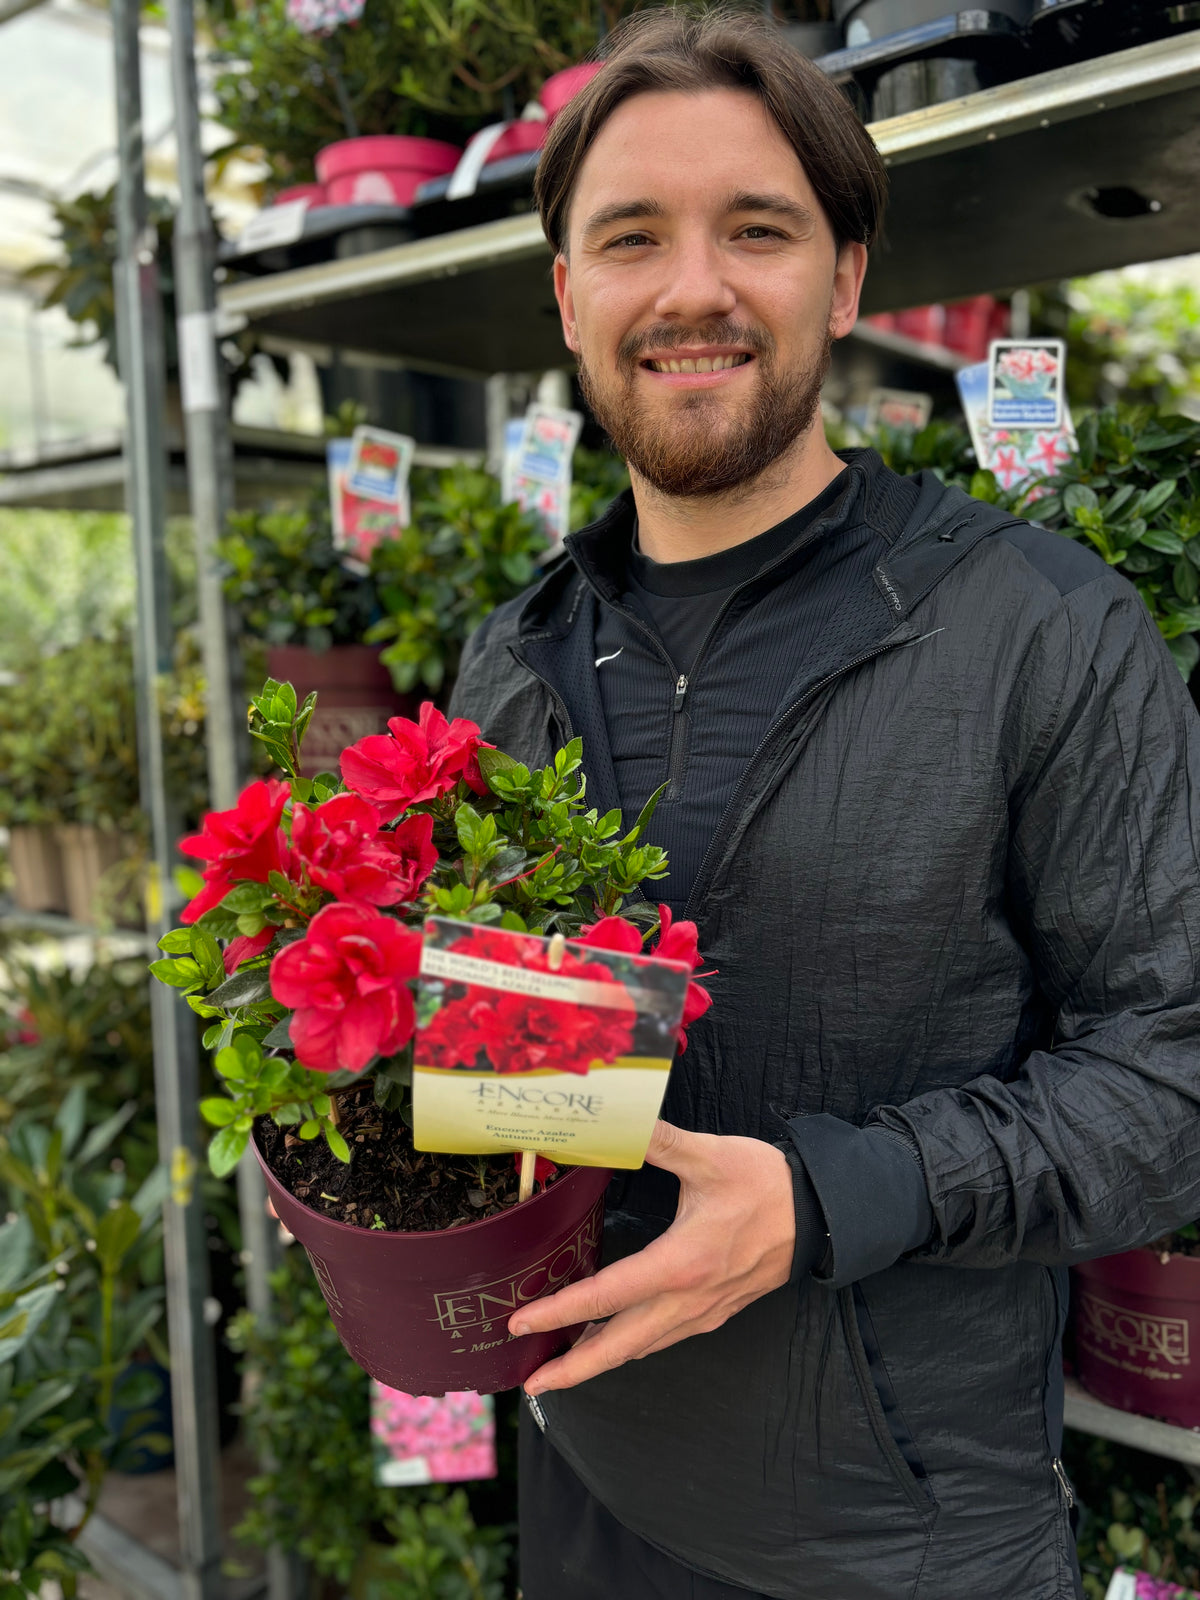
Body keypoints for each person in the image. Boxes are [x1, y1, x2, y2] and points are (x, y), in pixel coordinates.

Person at [447, 9, 1200, 1598]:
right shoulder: (509, 663)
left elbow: (1174, 1076)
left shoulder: (1038, 633)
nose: (695, 288)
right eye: (633, 238)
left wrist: (825, 1199)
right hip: (583, 1482)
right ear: (570, 296)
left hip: (900, 1541)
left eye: (760, 230)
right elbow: (518, 1072)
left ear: (847, 277)